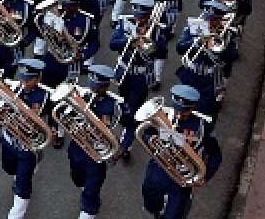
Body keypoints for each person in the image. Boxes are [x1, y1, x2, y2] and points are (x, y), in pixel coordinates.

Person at [140, 84, 221, 219]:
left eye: (184, 111)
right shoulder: (161, 116)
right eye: (177, 110)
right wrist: (151, 138)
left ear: (193, 108)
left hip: (182, 177)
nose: (179, 115)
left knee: (175, 214)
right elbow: (146, 133)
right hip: (158, 170)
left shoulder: (202, 126)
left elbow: (216, 155)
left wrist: (205, 176)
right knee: (150, 201)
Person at [66, 64, 124, 219]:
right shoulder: (81, 96)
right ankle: (87, 192)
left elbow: (130, 126)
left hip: (98, 153)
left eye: (98, 87)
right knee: (78, 179)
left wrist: (122, 146)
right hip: (77, 149)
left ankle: (89, 209)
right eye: (93, 86)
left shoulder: (115, 105)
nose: (94, 90)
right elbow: (65, 116)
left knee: (90, 192)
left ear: (106, 86)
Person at [0, 58, 52, 219]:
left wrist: (53, 130)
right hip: (9, 141)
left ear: (38, 79)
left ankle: (16, 215)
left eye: (29, 79)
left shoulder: (43, 96)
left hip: (27, 146)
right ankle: (26, 170)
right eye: (22, 78)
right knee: (8, 168)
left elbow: (46, 116)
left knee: (23, 185)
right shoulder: (14, 88)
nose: (24, 82)